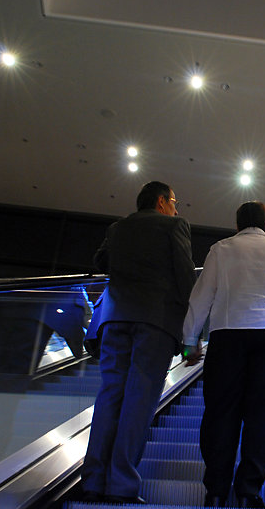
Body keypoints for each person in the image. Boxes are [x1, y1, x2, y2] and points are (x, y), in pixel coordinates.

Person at [182, 201, 265, 509]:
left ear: (237, 225)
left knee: (220, 413)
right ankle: (248, 492)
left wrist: (190, 341)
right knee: (263, 416)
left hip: (227, 335)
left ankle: (216, 491)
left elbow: (201, 297)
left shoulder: (220, 249)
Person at [81, 181, 195, 504]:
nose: (176, 208)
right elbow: (186, 276)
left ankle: (92, 480)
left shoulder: (118, 227)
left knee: (110, 395)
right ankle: (120, 483)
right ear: (161, 202)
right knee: (139, 399)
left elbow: (101, 261)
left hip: (115, 319)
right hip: (155, 323)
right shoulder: (175, 226)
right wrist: (193, 331)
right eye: (174, 202)